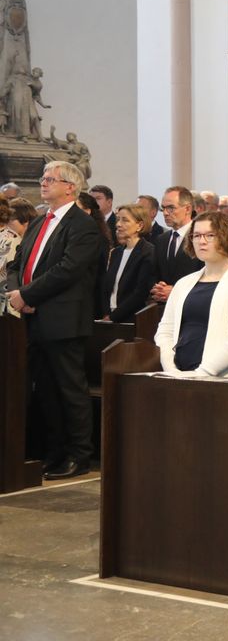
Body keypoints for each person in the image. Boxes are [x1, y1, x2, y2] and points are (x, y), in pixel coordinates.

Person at [5, 161, 104, 479]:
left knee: (69, 389)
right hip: (34, 317)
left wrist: (28, 296)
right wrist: (17, 292)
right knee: (45, 389)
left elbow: (67, 270)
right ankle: (55, 452)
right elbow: (17, 263)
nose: (43, 183)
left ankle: (80, 455)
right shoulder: (38, 222)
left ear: (70, 187)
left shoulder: (82, 225)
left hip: (64, 318)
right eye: (42, 178)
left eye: (50, 179)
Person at [155, 212, 228, 378]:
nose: (201, 241)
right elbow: (165, 330)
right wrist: (171, 370)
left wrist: (201, 373)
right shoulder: (184, 283)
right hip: (179, 376)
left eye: (210, 235)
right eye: (196, 235)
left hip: (222, 379)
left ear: (226, 237)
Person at [100, 203, 156, 322]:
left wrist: (113, 317)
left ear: (140, 225)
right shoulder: (116, 252)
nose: (118, 224)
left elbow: (140, 293)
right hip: (109, 315)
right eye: (118, 219)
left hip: (133, 318)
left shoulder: (148, 252)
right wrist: (106, 313)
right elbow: (107, 287)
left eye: (125, 220)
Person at [151, 185, 204, 303]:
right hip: (163, 310)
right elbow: (154, 274)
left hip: (192, 307)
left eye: (171, 208)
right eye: (163, 208)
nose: (165, 213)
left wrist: (175, 292)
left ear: (188, 209)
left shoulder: (201, 237)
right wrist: (159, 289)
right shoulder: (161, 240)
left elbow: (208, 278)